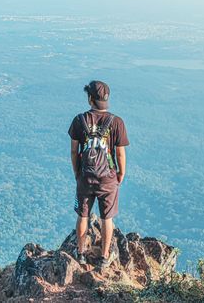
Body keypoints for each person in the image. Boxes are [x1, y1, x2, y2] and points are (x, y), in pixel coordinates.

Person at [68, 80, 129, 268]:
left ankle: (80, 253)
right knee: (107, 218)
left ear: (90, 99)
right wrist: (120, 174)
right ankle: (103, 257)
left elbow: (74, 151)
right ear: (106, 99)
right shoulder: (116, 122)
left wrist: (77, 172)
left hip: (85, 176)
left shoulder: (79, 120)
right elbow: (119, 153)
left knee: (83, 216)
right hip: (108, 179)